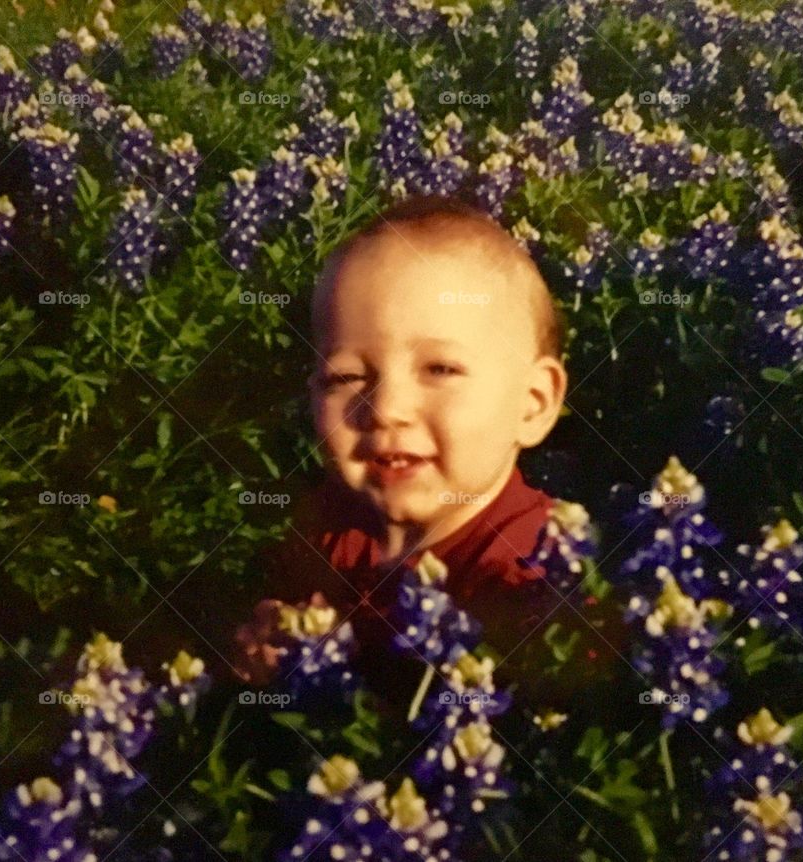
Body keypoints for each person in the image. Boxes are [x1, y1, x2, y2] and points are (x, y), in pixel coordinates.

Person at [243, 194, 626, 703]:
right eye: (346, 376)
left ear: (532, 405)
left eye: (440, 369)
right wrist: (270, 644)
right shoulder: (328, 525)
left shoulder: (533, 579)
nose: (386, 408)